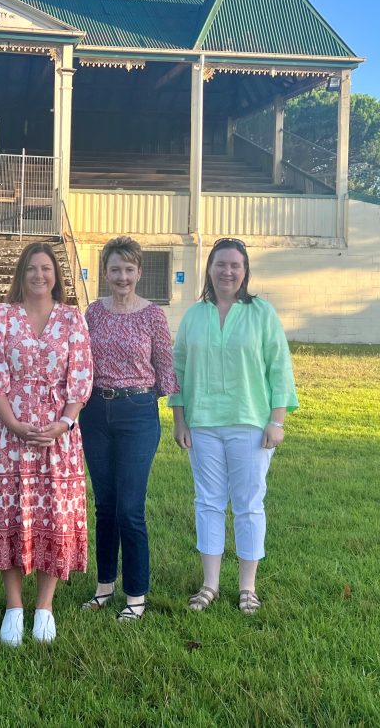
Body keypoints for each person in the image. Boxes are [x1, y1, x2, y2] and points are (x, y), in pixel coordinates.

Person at [169, 237, 298, 616]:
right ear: (209, 269)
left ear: (245, 271)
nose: (228, 271)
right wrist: (180, 420)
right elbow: (178, 370)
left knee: (248, 504)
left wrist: (277, 420)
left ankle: (247, 587)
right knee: (207, 502)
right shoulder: (195, 315)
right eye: (221, 264)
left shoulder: (261, 313)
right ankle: (209, 584)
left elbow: (280, 368)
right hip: (203, 424)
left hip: (250, 423)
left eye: (235, 265)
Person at [0, 241, 93, 646]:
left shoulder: (72, 319)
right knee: (10, 515)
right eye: (32, 268)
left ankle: (44, 606)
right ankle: (13, 607)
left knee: (54, 518)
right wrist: (15, 424)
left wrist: (63, 423)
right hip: (9, 436)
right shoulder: (1, 317)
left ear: (56, 275)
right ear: (21, 274)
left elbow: (80, 378)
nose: (39, 275)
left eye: (46, 268)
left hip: (58, 439)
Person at [79, 237, 178, 622]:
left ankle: (136, 594)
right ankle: (105, 587)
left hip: (138, 412)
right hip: (95, 414)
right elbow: (80, 362)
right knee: (105, 506)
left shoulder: (152, 315)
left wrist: (178, 420)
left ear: (139, 272)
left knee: (130, 508)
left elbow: (166, 368)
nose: (122, 277)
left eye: (129, 269)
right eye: (115, 269)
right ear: (105, 272)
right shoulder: (93, 313)